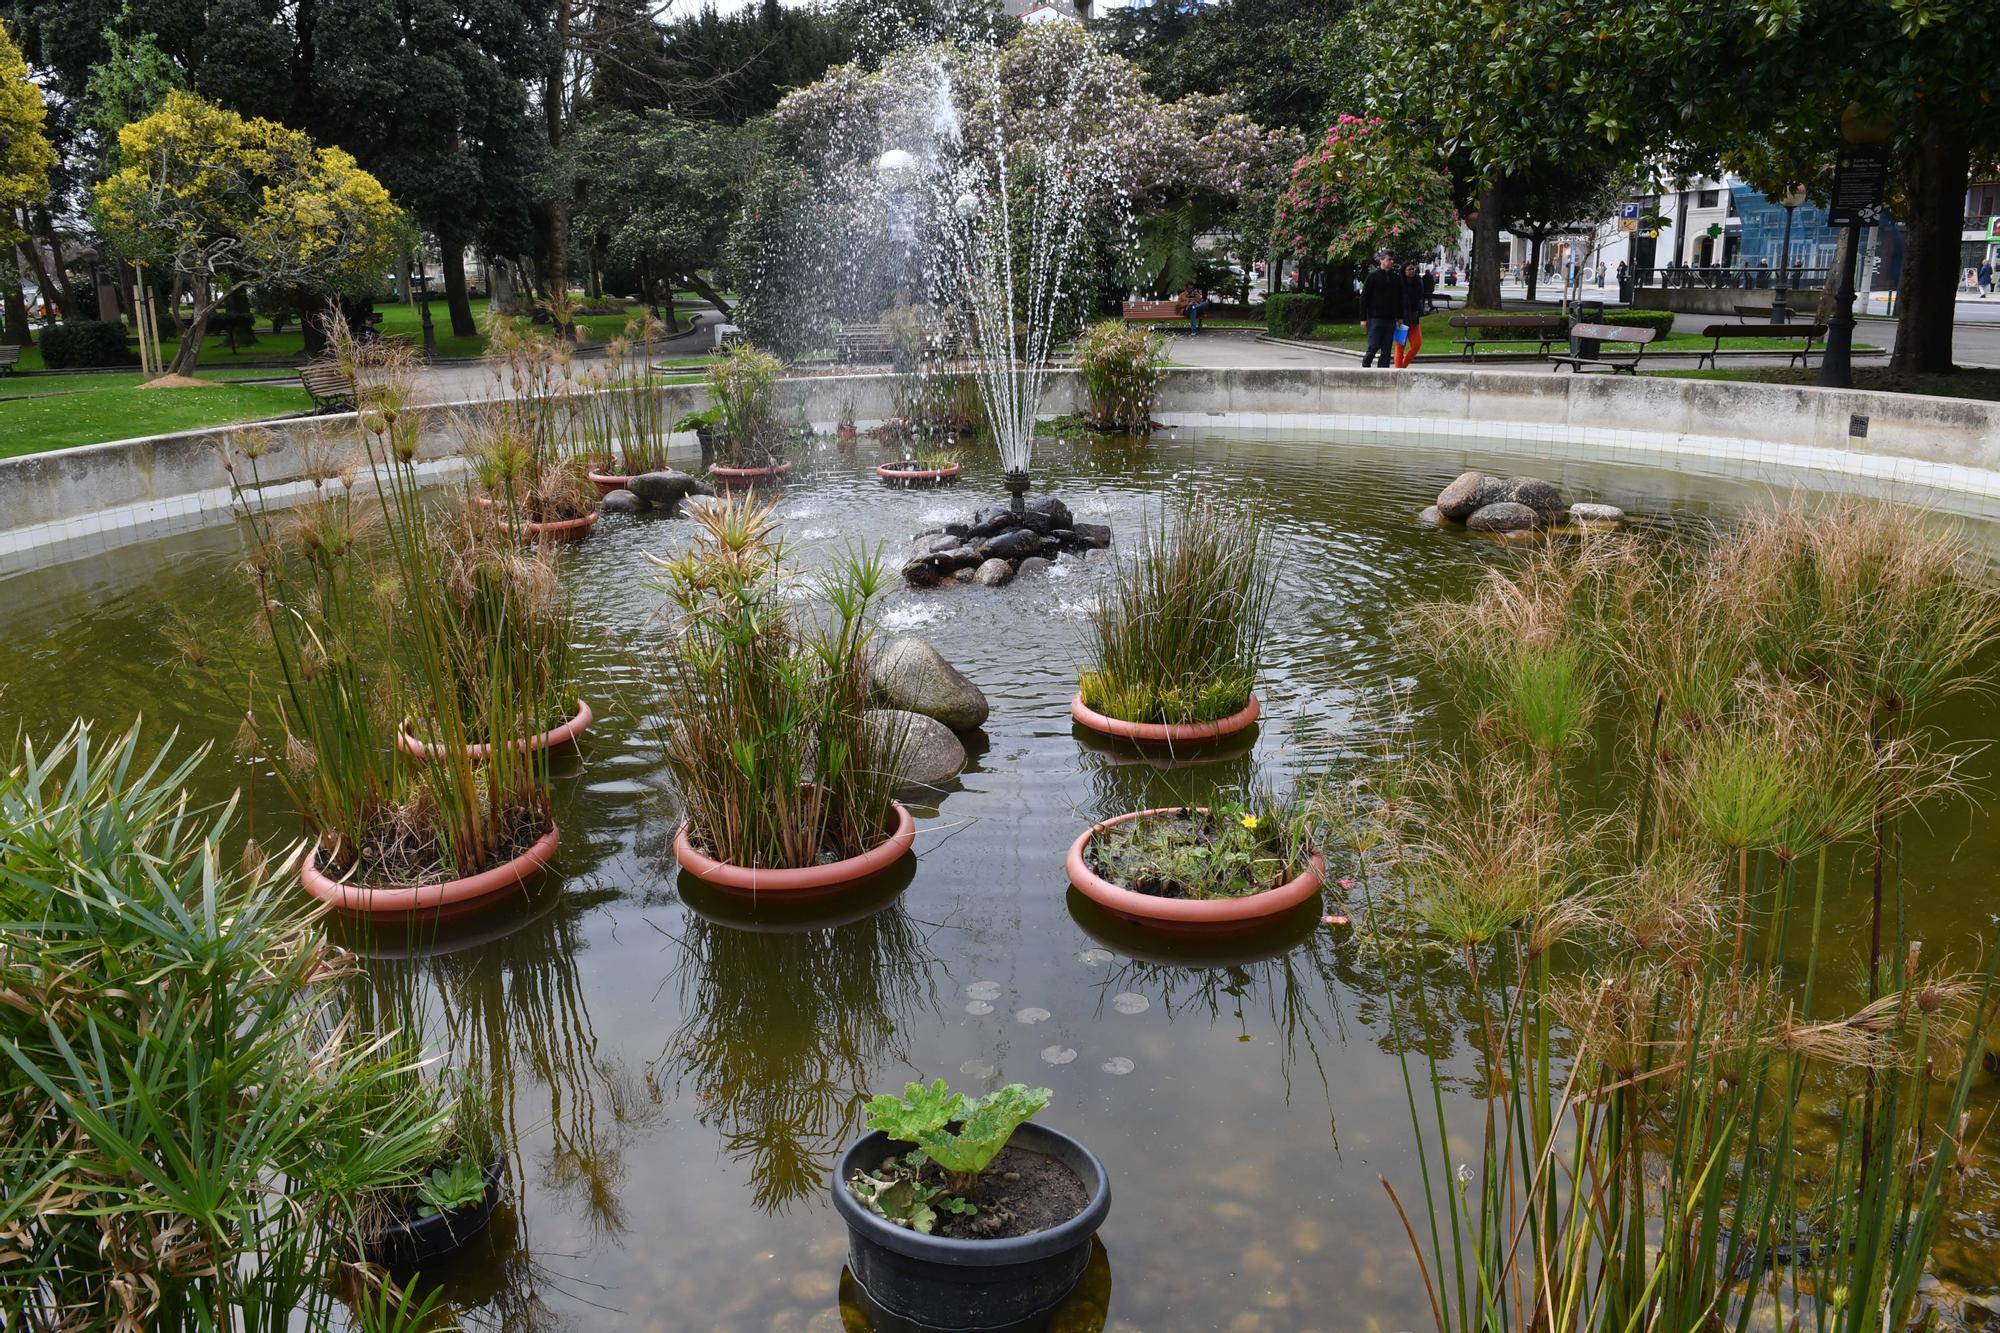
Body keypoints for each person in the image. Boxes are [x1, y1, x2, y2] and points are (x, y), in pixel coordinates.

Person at [1360, 250, 1402, 368]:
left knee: (1386, 349)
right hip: (1375, 317)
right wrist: (1363, 318)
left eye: (1392, 260)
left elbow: (1399, 298)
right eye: (1389, 259)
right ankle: (1365, 366)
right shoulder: (1373, 277)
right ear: (1382, 260)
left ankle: (1383, 372)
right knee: (1373, 346)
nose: (1391, 262)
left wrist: (1399, 316)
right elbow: (1364, 298)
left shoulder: (1396, 278)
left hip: (1390, 318)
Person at [1394, 260, 1425, 368]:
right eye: (1409, 269)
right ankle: (1398, 370)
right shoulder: (1399, 283)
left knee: (1417, 344)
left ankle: (1403, 366)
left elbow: (1420, 298)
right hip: (1401, 319)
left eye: (1413, 269)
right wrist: (1398, 317)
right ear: (1404, 271)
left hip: (1414, 318)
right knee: (1400, 346)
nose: (1412, 271)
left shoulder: (1418, 281)